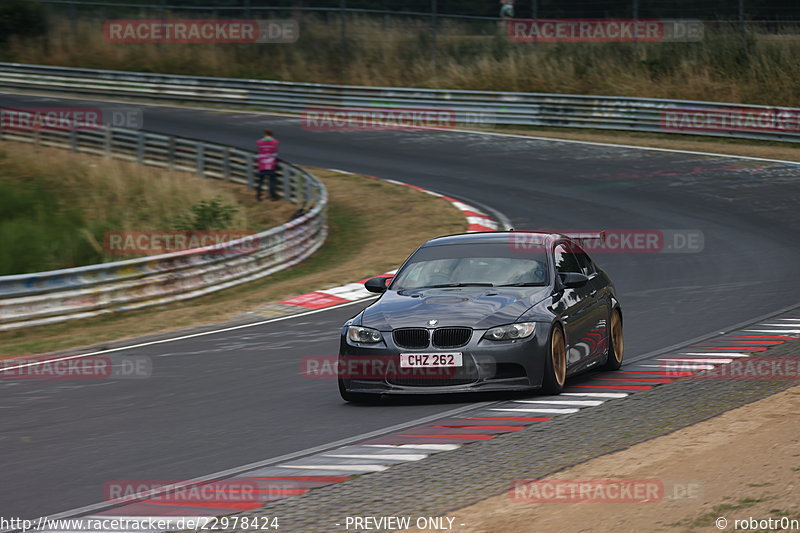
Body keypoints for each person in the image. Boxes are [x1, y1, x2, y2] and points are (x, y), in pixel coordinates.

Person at [256, 128, 280, 201]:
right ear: (271, 134)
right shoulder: (275, 142)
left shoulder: (259, 142)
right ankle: (272, 197)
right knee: (271, 181)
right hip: (271, 163)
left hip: (262, 163)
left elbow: (259, 150)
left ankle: (258, 196)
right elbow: (276, 151)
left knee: (260, 181)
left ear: (264, 134)